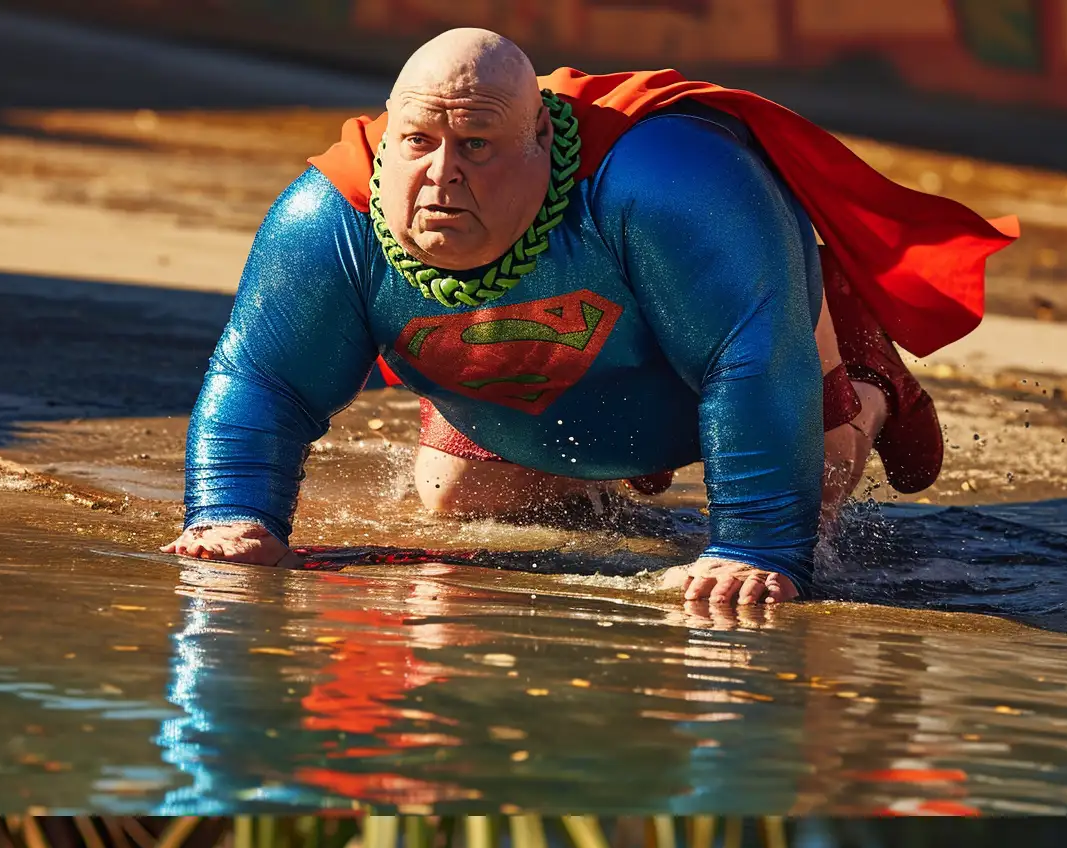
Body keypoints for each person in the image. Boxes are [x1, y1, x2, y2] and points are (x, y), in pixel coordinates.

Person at [164, 28, 1013, 613]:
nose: (441, 174)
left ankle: (864, 380)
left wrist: (756, 548)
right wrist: (234, 513)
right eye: (418, 141)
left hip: (718, 354)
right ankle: (612, 473)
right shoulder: (330, 216)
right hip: (541, 376)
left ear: (541, 135)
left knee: (809, 499)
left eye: (477, 144)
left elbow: (750, 362)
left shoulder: (671, 178)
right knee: (456, 503)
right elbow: (262, 380)